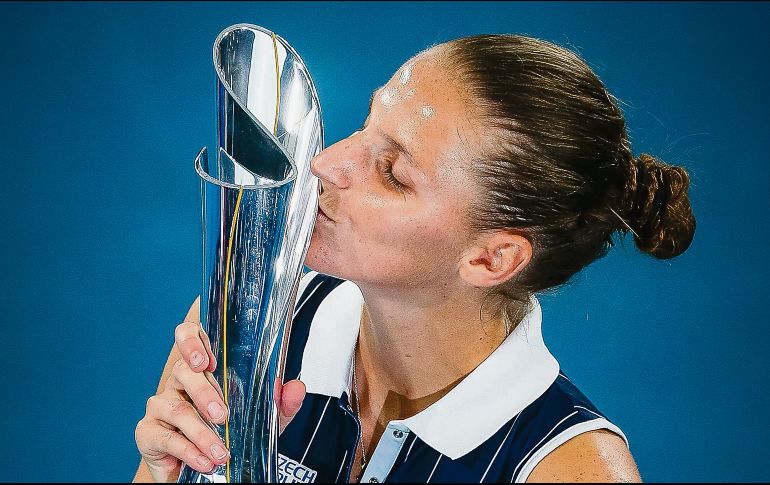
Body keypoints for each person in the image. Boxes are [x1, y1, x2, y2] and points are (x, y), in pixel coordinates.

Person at [133, 34, 695, 483]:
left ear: (492, 257)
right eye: (364, 124)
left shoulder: (566, 472)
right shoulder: (249, 320)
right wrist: (165, 476)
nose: (327, 163)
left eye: (393, 174)